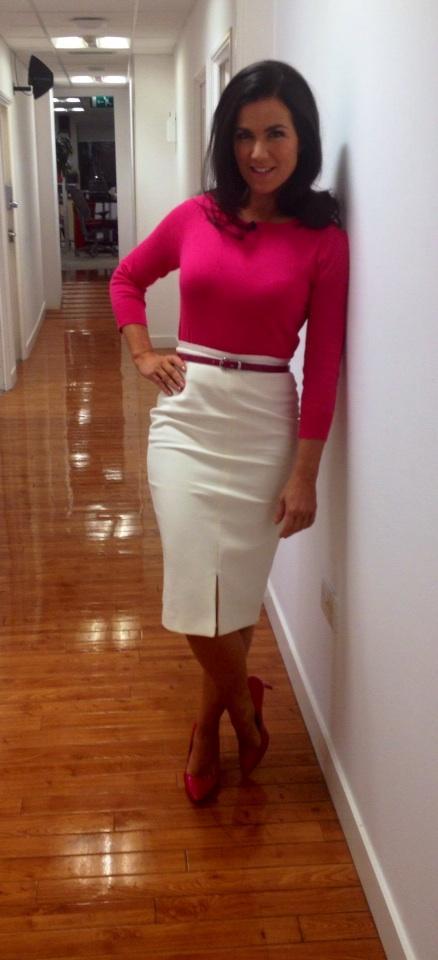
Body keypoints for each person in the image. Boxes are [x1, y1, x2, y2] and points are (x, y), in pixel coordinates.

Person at [110, 60, 350, 804]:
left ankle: (206, 728)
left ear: (302, 139)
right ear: (227, 140)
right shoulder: (196, 217)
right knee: (193, 589)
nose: (258, 152)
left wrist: (305, 474)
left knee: (235, 592)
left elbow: (326, 365)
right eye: (243, 135)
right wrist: (143, 352)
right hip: (188, 416)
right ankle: (244, 713)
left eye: (275, 133)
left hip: (265, 422)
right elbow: (126, 277)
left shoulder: (323, 240)